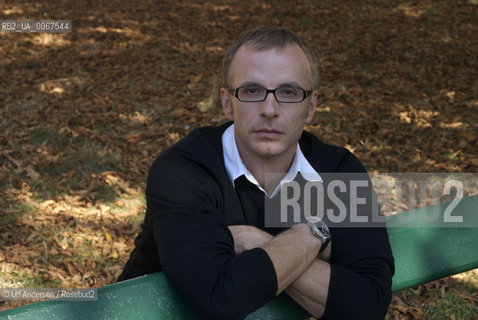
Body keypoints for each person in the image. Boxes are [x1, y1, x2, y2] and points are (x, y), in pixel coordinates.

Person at [118, 26, 395, 319]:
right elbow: (221, 300)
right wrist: (316, 237)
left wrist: (261, 241)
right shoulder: (184, 171)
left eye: (289, 92)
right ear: (227, 102)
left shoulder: (338, 171)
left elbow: (369, 304)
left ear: (311, 106)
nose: (270, 109)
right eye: (252, 91)